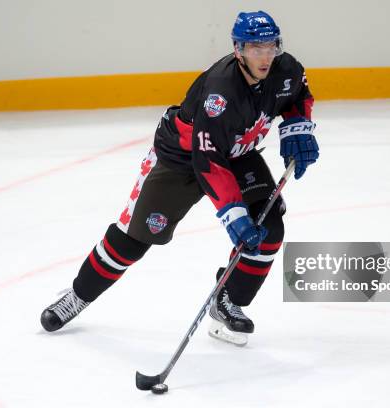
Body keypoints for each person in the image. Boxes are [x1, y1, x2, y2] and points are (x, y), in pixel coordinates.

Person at [40, 10, 319, 344]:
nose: (265, 55)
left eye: (270, 46)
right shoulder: (220, 93)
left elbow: (296, 97)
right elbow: (209, 160)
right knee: (134, 240)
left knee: (269, 228)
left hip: (238, 155)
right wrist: (233, 214)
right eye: (255, 48)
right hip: (183, 160)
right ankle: (78, 294)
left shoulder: (286, 69)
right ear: (238, 49)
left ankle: (228, 301)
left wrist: (297, 129)